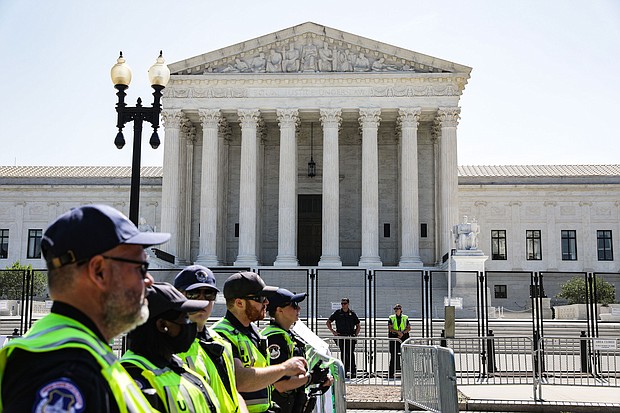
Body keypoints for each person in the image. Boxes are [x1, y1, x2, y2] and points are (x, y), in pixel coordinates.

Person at [0, 204, 170, 412]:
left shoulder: (75, 356)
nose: (150, 281)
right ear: (99, 272)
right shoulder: (66, 371)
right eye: (141, 268)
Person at [212, 271, 307, 413]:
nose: (267, 303)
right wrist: (284, 368)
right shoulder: (221, 334)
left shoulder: (253, 331)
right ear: (239, 303)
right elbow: (240, 380)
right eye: (261, 298)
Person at [121, 282, 220, 412]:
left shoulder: (174, 364)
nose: (191, 324)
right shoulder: (133, 376)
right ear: (162, 325)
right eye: (185, 318)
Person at [174, 265, 248, 413]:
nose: (202, 301)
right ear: (177, 296)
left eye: (209, 295)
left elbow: (231, 391)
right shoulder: (171, 347)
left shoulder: (222, 343)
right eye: (194, 294)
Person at [262, 288, 332, 413]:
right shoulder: (275, 339)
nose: (298, 309)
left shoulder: (288, 335)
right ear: (279, 310)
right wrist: (311, 378)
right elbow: (281, 385)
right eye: (294, 305)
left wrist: (319, 378)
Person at [326, 297, 360, 378]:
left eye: (344, 303)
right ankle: (344, 370)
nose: (343, 305)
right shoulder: (337, 313)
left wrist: (355, 335)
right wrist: (333, 332)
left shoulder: (352, 313)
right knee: (344, 354)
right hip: (341, 336)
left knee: (351, 354)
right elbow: (328, 322)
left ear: (348, 304)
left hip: (350, 336)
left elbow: (358, 325)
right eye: (342, 303)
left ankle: (353, 371)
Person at [387, 304, 410, 378]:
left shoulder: (405, 317)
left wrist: (402, 333)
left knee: (405, 355)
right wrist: (398, 332)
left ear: (401, 309)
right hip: (394, 338)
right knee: (393, 355)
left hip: (403, 338)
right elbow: (390, 328)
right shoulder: (391, 318)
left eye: (397, 309)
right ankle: (391, 373)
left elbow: (409, 328)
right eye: (395, 309)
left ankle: (406, 372)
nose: (396, 310)